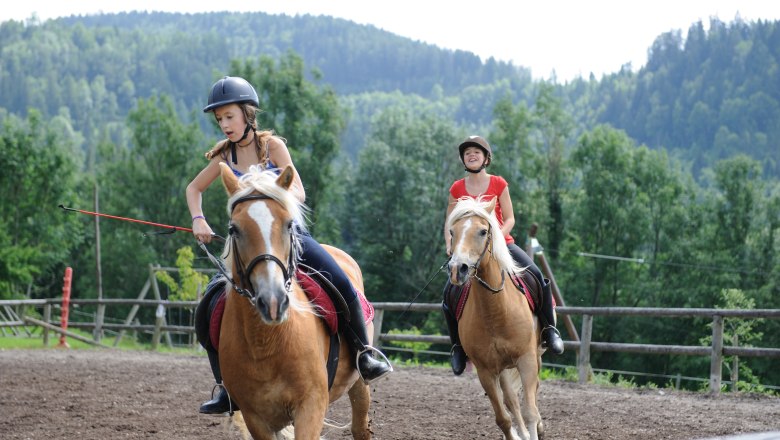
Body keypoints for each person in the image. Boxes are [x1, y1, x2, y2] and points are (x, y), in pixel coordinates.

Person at [186, 76, 392, 415]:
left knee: (340, 282)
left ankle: (364, 353)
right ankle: (226, 386)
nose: (224, 125)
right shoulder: (223, 155)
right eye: (219, 119)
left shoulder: (272, 148)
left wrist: (267, 191)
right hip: (247, 244)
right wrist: (198, 219)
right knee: (209, 304)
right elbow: (193, 189)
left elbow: (297, 192)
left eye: (230, 117)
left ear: (247, 114)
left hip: (287, 235)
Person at [442, 135, 564, 375]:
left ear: (486, 158)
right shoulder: (457, 188)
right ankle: (458, 347)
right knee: (448, 295)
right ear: (463, 159)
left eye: (476, 152)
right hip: (468, 251)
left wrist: (496, 238)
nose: (472, 155)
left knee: (537, 275)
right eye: (468, 153)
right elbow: (450, 221)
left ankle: (549, 330)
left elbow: (510, 219)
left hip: (501, 244)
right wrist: (450, 244)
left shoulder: (498, 183)